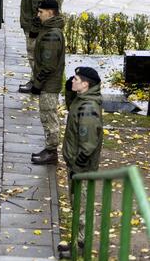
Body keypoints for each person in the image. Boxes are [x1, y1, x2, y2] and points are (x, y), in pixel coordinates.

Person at [58, 67, 103, 259]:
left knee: (82, 206)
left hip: (82, 168)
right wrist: (69, 89)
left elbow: (89, 143)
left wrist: (78, 166)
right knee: (77, 204)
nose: (72, 80)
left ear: (86, 84)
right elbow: (71, 107)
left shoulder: (88, 108)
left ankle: (80, 245)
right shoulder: (81, 100)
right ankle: (77, 241)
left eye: (75, 79)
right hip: (76, 165)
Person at [30, 0, 65, 165]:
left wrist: (37, 84)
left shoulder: (52, 34)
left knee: (49, 117)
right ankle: (49, 149)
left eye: (41, 12)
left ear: (50, 13)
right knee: (47, 116)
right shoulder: (49, 29)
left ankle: (51, 152)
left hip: (48, 85)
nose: (38, 15)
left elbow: (48, 64)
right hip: (48, 83)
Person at [18, 0, 48, 93]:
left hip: (33, 29)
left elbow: (39, 11)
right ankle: (34, 81)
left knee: (33, 57)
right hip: (30, 27)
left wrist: (34, 31)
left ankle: (37, 84)